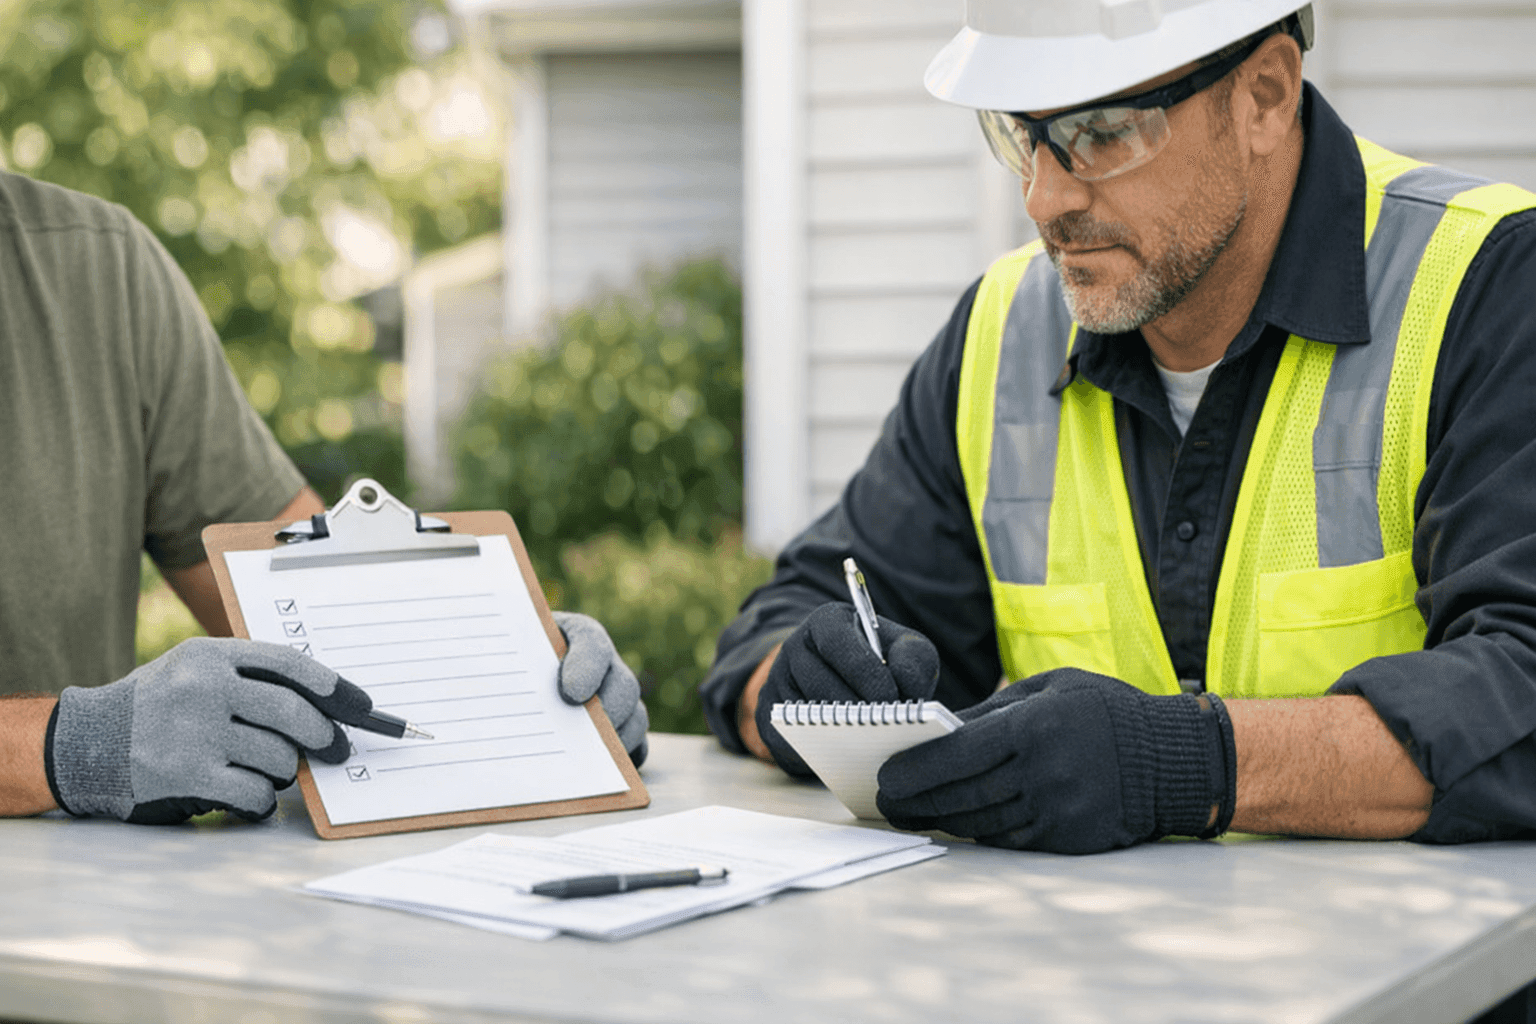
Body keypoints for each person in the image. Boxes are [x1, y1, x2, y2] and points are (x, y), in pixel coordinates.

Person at [702, 0, 1536, 859]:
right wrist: (798, 692)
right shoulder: (1006, 331)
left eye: (1101, 131)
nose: (1044, 195)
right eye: (1022, 134)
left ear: (1265, 95)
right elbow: (772, 636)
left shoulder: (1489, 287)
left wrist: (1181, 765)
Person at [0, 169, 647, 823]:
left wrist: (520, 670)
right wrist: (74, 748)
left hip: (86, 904)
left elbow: (316, 620)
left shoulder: (95, 266)